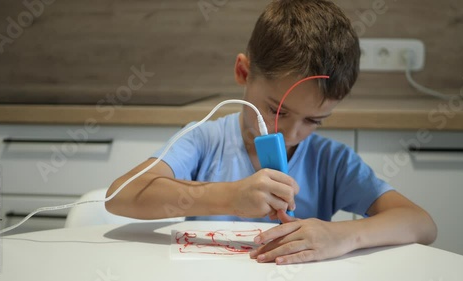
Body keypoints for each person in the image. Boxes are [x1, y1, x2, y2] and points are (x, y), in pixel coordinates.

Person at [105, 0, 437, 265]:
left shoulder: (331, 162)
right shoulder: (205, 141)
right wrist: (229, 197)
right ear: (243, 72)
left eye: (313, 121)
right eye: (278, 110)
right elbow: (119, 196)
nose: (292, 133)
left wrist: (344, 235)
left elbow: (421, 223)